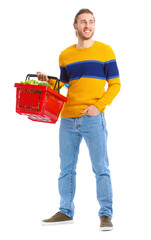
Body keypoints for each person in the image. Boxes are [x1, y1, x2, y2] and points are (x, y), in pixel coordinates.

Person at [37, 8, 121, 231]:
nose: (88, 26)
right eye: (83, 22)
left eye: (91, 22)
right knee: (66, 168)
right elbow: (64, 85)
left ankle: (105, 214)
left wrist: (98, 107)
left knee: (101, 168)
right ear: (75, 26)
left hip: (93, 119)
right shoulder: (65, 55)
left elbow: (115, 84)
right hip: (67, 119)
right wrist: (48, 81)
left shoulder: (106, 51)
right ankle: (65, 211)